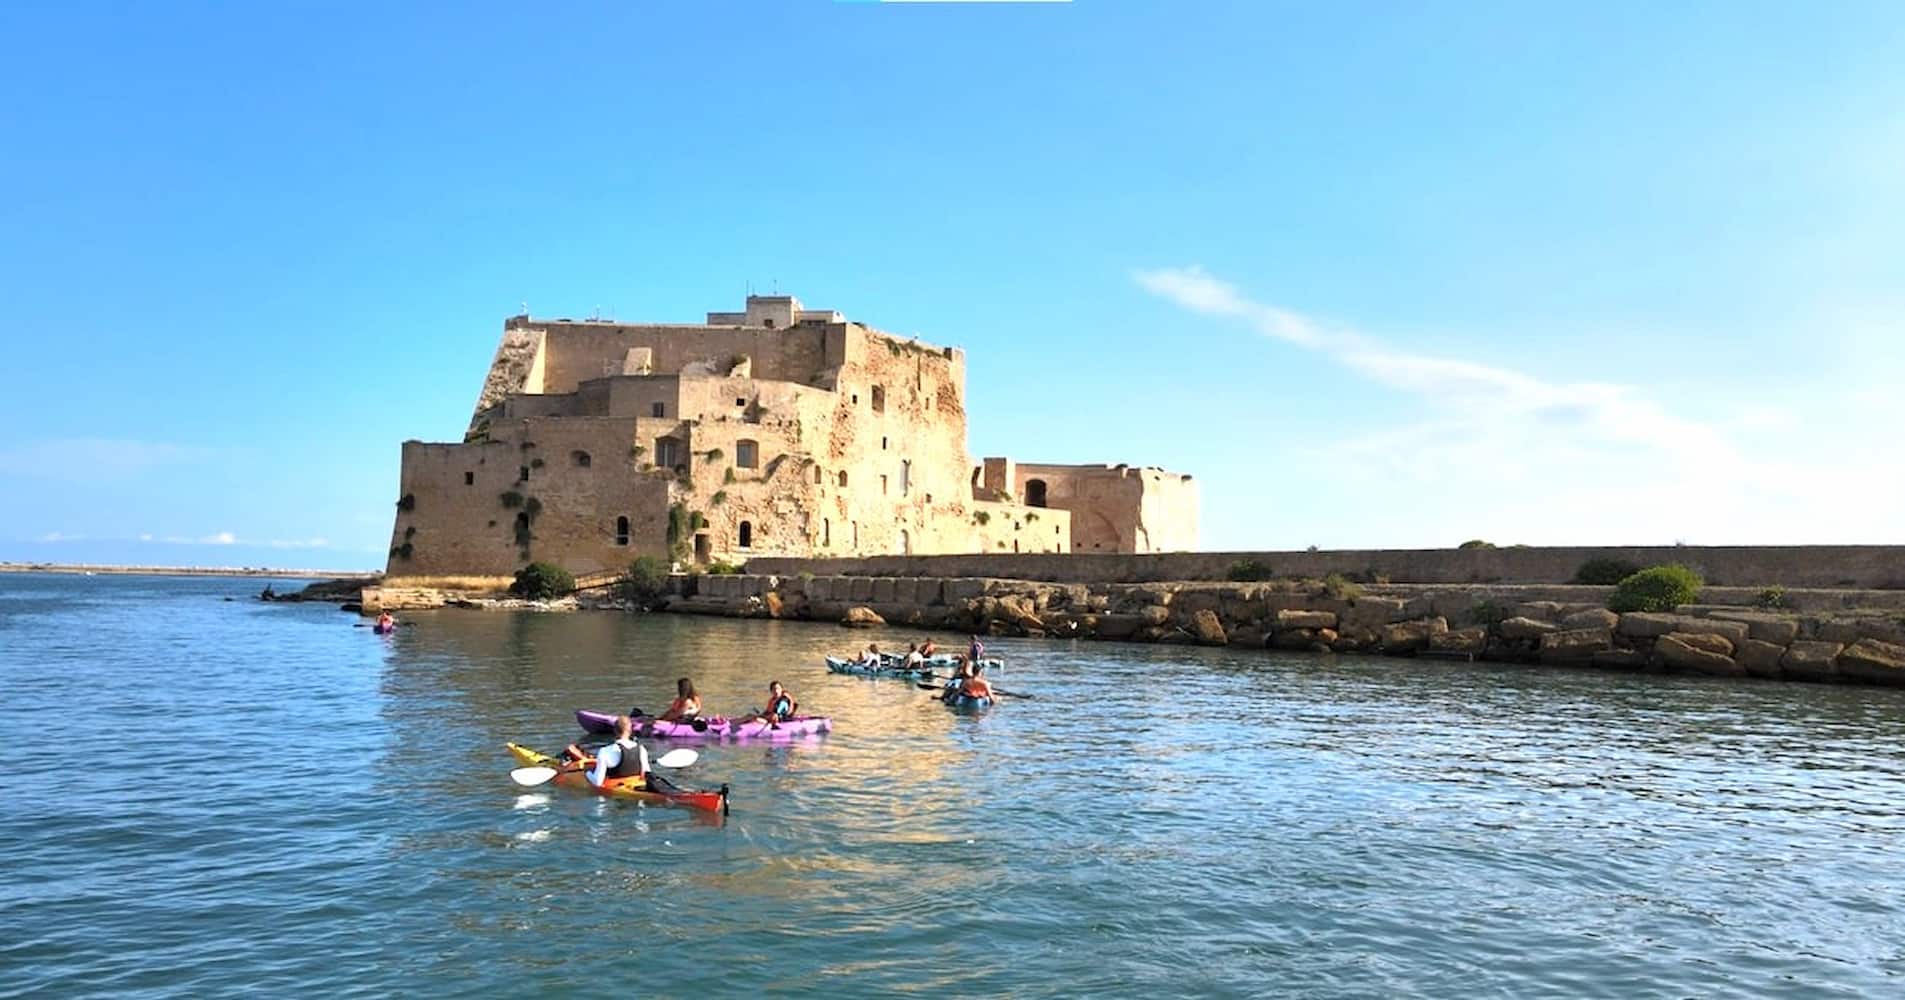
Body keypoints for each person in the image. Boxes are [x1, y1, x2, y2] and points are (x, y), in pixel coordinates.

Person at [582, 715, 650, 789]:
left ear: (615, 731)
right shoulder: (641, 749)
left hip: (615, 790)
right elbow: (647, 774)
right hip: (637, 786)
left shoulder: (605, 751)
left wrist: (586, 772)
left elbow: (597, 783)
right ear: (630, 731)